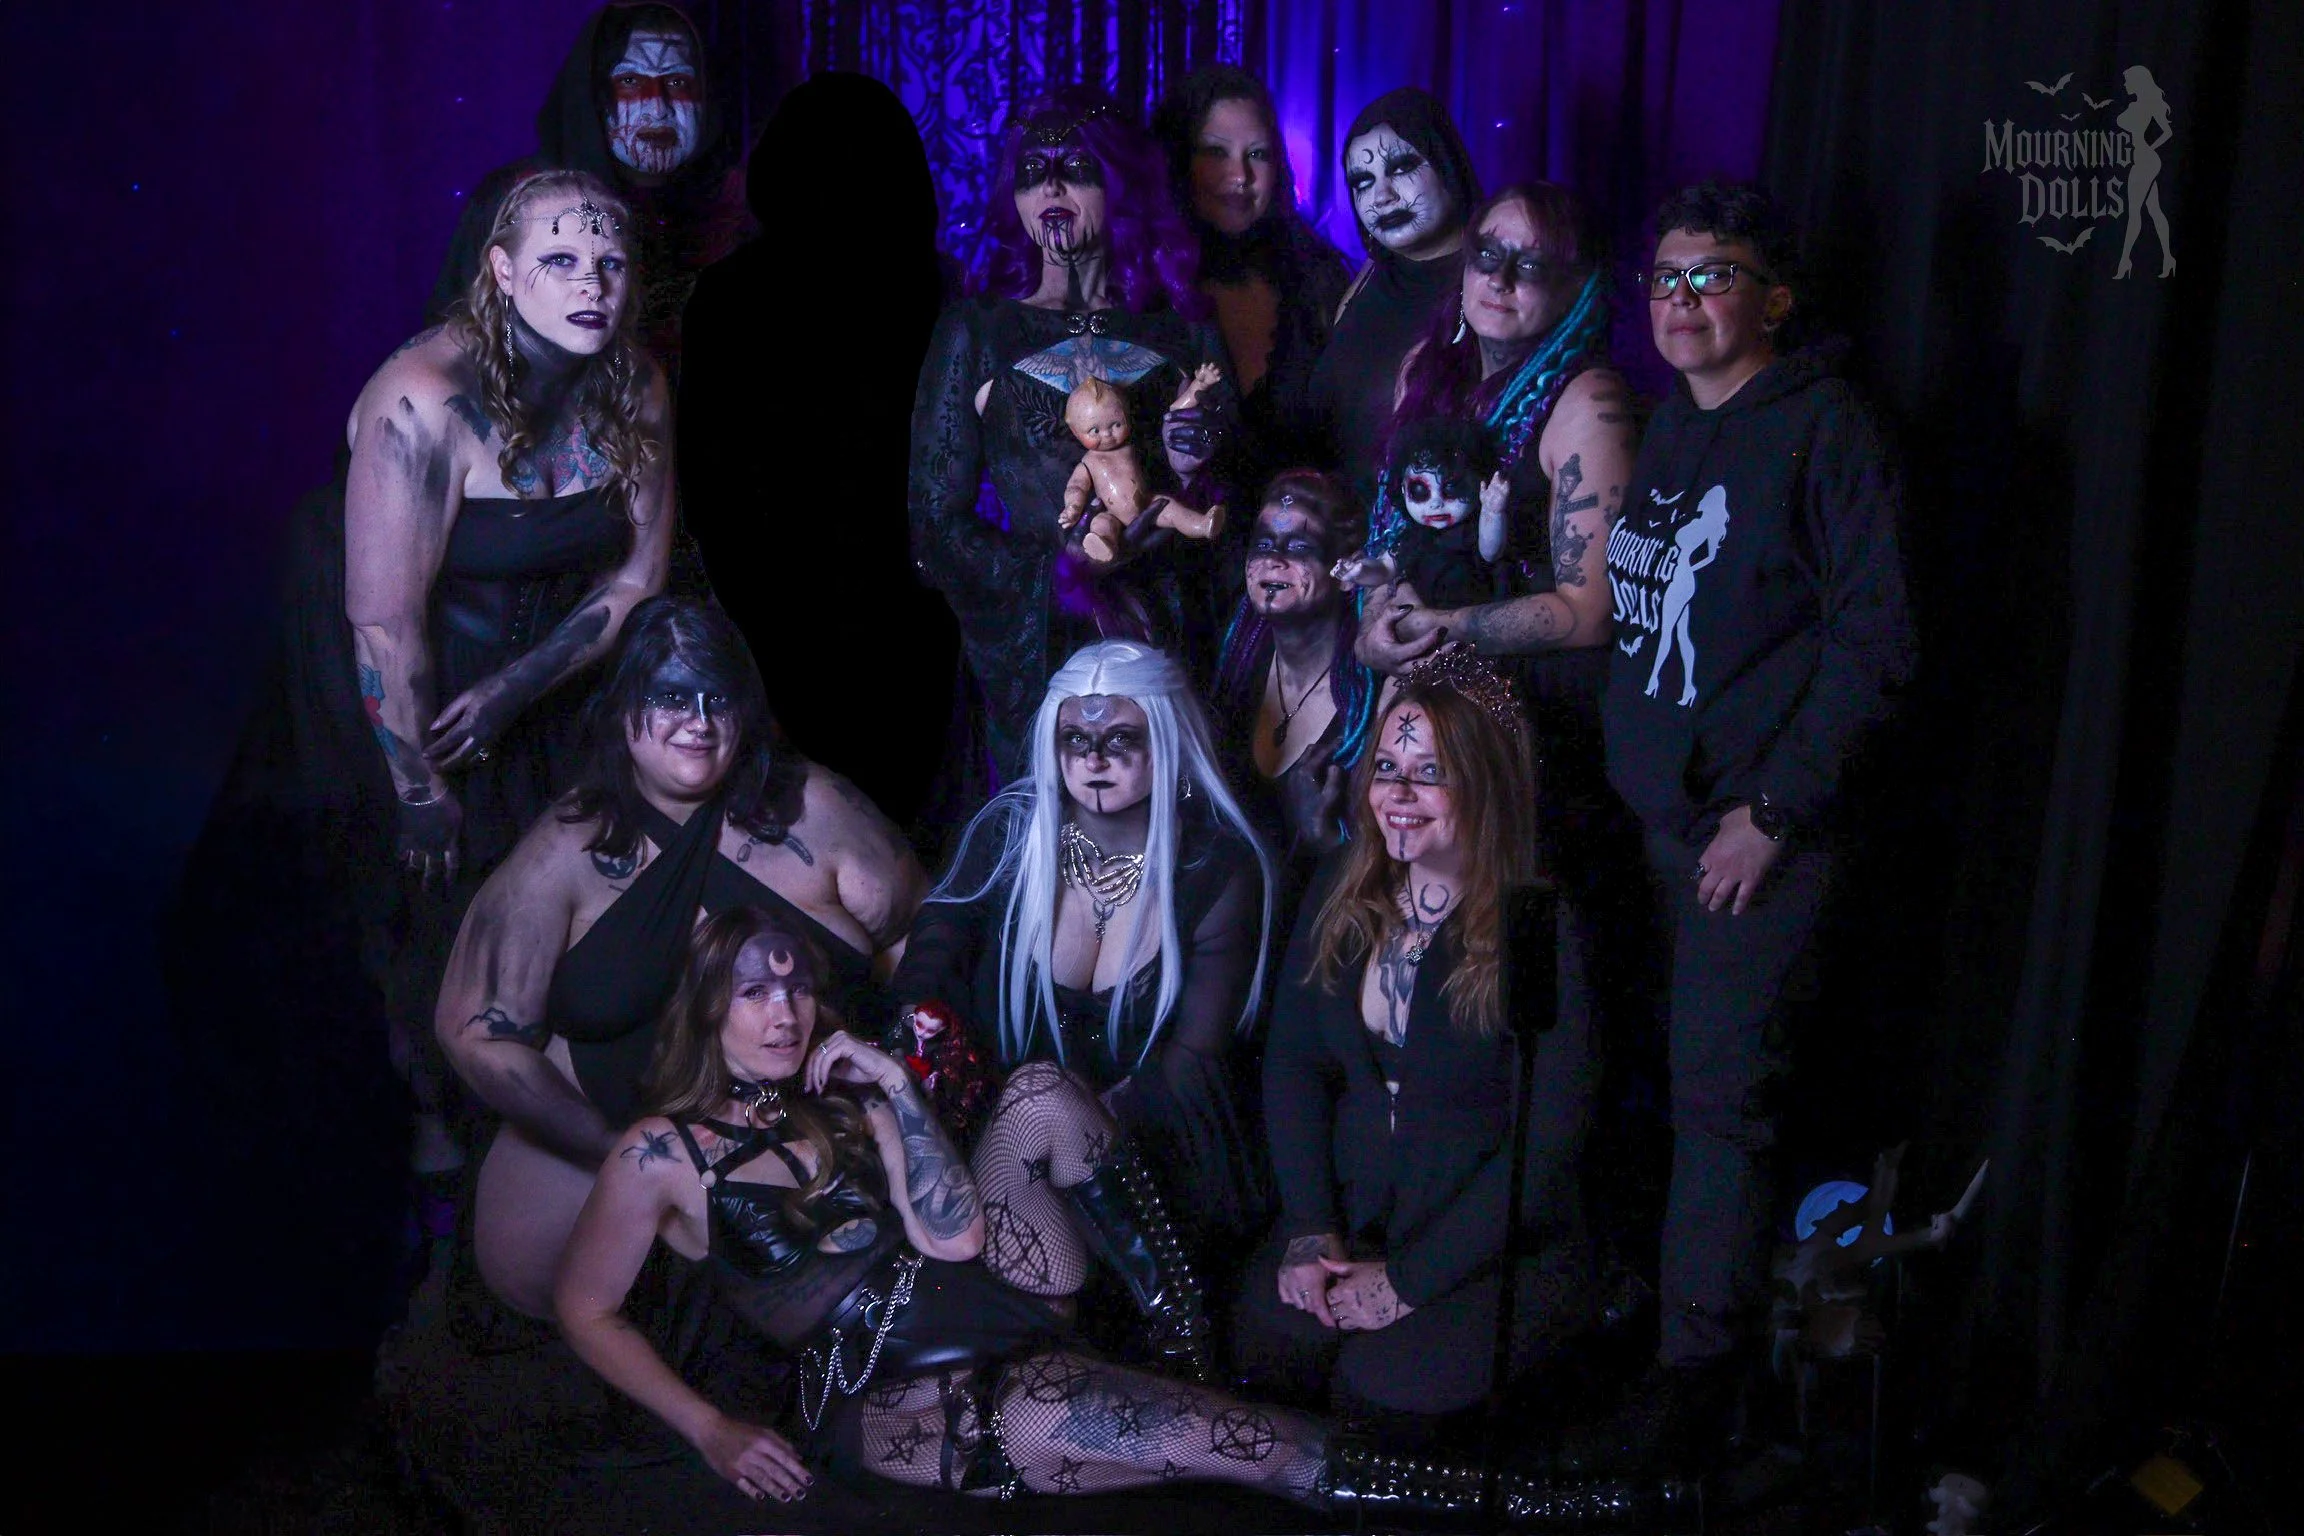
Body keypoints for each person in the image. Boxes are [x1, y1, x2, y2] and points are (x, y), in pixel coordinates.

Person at [556, 904, 1678, 1526]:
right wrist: (708, 1428)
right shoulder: (661, 1153)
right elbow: (585, 1308)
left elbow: (953, 1237)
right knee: (1245, 1446)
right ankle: (1556, 1506)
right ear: (708, 1009)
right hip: (899, 1394)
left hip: (988, 1293)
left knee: (1041, 1092)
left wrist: (893, 1090)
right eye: (754, 992)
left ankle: (1186, 1345)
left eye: (796, 985)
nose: (785, 1011)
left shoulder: (845, 1100)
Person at [164, 168, 674, 1324]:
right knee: (430, 914)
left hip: (545, 680)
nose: (592, 285)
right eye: (559, 262)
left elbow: (638, 578)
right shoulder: (421, 400)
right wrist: (418, 788)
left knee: (579, 917)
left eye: (610, 263)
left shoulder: (633, 382)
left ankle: (574, 1188)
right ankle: (435, 1167)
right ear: (501, 272)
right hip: (400, 687)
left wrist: (516, 691)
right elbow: (385, 627)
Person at [1576, 180, 1916, 1472]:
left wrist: (1771, 812)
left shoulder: (1827, 430)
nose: (1681, 301)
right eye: (1664, 278)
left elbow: (1879, 645)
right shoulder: (1671, 426)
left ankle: (1697, 1385)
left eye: (1711, 276)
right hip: (1656, 834)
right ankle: (1661, 1328)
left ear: (1773, 298)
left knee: (1724, 1113)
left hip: (1753, 844)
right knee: (1660, 1097)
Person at [435, 596, 926, 1318]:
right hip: (611, 1185)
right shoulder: (565, 850)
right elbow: (472, 1031)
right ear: (622, 707)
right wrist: (626, 1152)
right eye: (670, 697)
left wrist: (905, 1094)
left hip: (818, 1165)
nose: (698, 722)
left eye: (717, 699)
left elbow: (921, 938)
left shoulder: (815, 809)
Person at [1236, 649, 1601, 1435]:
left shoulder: (1537, 925)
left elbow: (1547, 1144)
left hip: (1488, 1245)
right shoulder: (1342, 885)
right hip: (1360, 1214)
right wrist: (1309, 1225)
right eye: (1387, 768)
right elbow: (1294, 1065)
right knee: (1271, 1350)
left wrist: (1410, 1282)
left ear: (1486, 783)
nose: (1399, 796)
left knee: (1382, 1394)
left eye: (1430, 774)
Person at [891, 639, 1274, 1373]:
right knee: (1021, 1104)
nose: (1095, 759)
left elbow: (1192, 1066)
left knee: (1042, 1099)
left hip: (1157, 1164)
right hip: (1013, 1145)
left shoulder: (1216, 865)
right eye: (1076, 740)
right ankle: (1042, 1372)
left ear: (1166, 743)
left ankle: (1172, 1331)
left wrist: (1066, 1124)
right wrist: (918, 1032)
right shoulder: (1012, 831)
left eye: (1120, 740)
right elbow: (935, 947)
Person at [908, 87, 1235, 776]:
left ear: (1121, 181)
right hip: (1035, 646)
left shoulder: (1180, 324)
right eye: (1032, 172)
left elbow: (1237, 487)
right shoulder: (978, 330)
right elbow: (934, 520)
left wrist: (1192, 475)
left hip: (1169, 629)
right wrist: (1058, 572)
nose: (1051, 187)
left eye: (1076, 168)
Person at [678, 72, 959, 836]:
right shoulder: (930, 289)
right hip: (886, 611)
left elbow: (707, 486)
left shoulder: (730, 295)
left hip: (787, 608)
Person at [430, 2, 746, 378]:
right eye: (630, 81)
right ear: (594, 95)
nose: (658, 108)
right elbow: (452, 354)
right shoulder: (522, 200)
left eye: (677, 82)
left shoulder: (736, 203)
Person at [1151, 65, 1353, 499]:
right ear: (1178, 159)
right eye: (1216, 152)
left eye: (1258, 154)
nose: (1241, 175)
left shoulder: (1317, 277)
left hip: (1303, 531)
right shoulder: (1140, 282)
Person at [1305, 87, 1479, 502]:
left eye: (1401, 168)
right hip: (1329, 524)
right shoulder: (1369, 275)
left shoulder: (1493, 284)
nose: (1381, 197)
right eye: (1362, 182)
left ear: (1447, 164)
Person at [1207, 470, 1378, 877]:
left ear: (1348, 571)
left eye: (1300, 547)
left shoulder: (1369, 699)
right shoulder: (1233, 669)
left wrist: (1327, 841)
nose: (1273, 559)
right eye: (1263, 544)